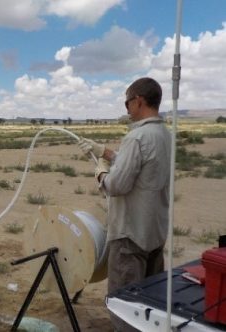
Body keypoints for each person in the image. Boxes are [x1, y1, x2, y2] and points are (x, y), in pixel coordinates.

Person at [78, 77, 171, 331]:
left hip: (130, 235)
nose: (127, 108)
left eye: (127, 102)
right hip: (154, 232)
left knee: (125, 305)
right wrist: (105, 152)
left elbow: (117, 185)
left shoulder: (136, 137)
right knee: (150, 302)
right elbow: (139, 168)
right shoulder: (164, 134)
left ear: (138, 101)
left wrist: (100, 173)